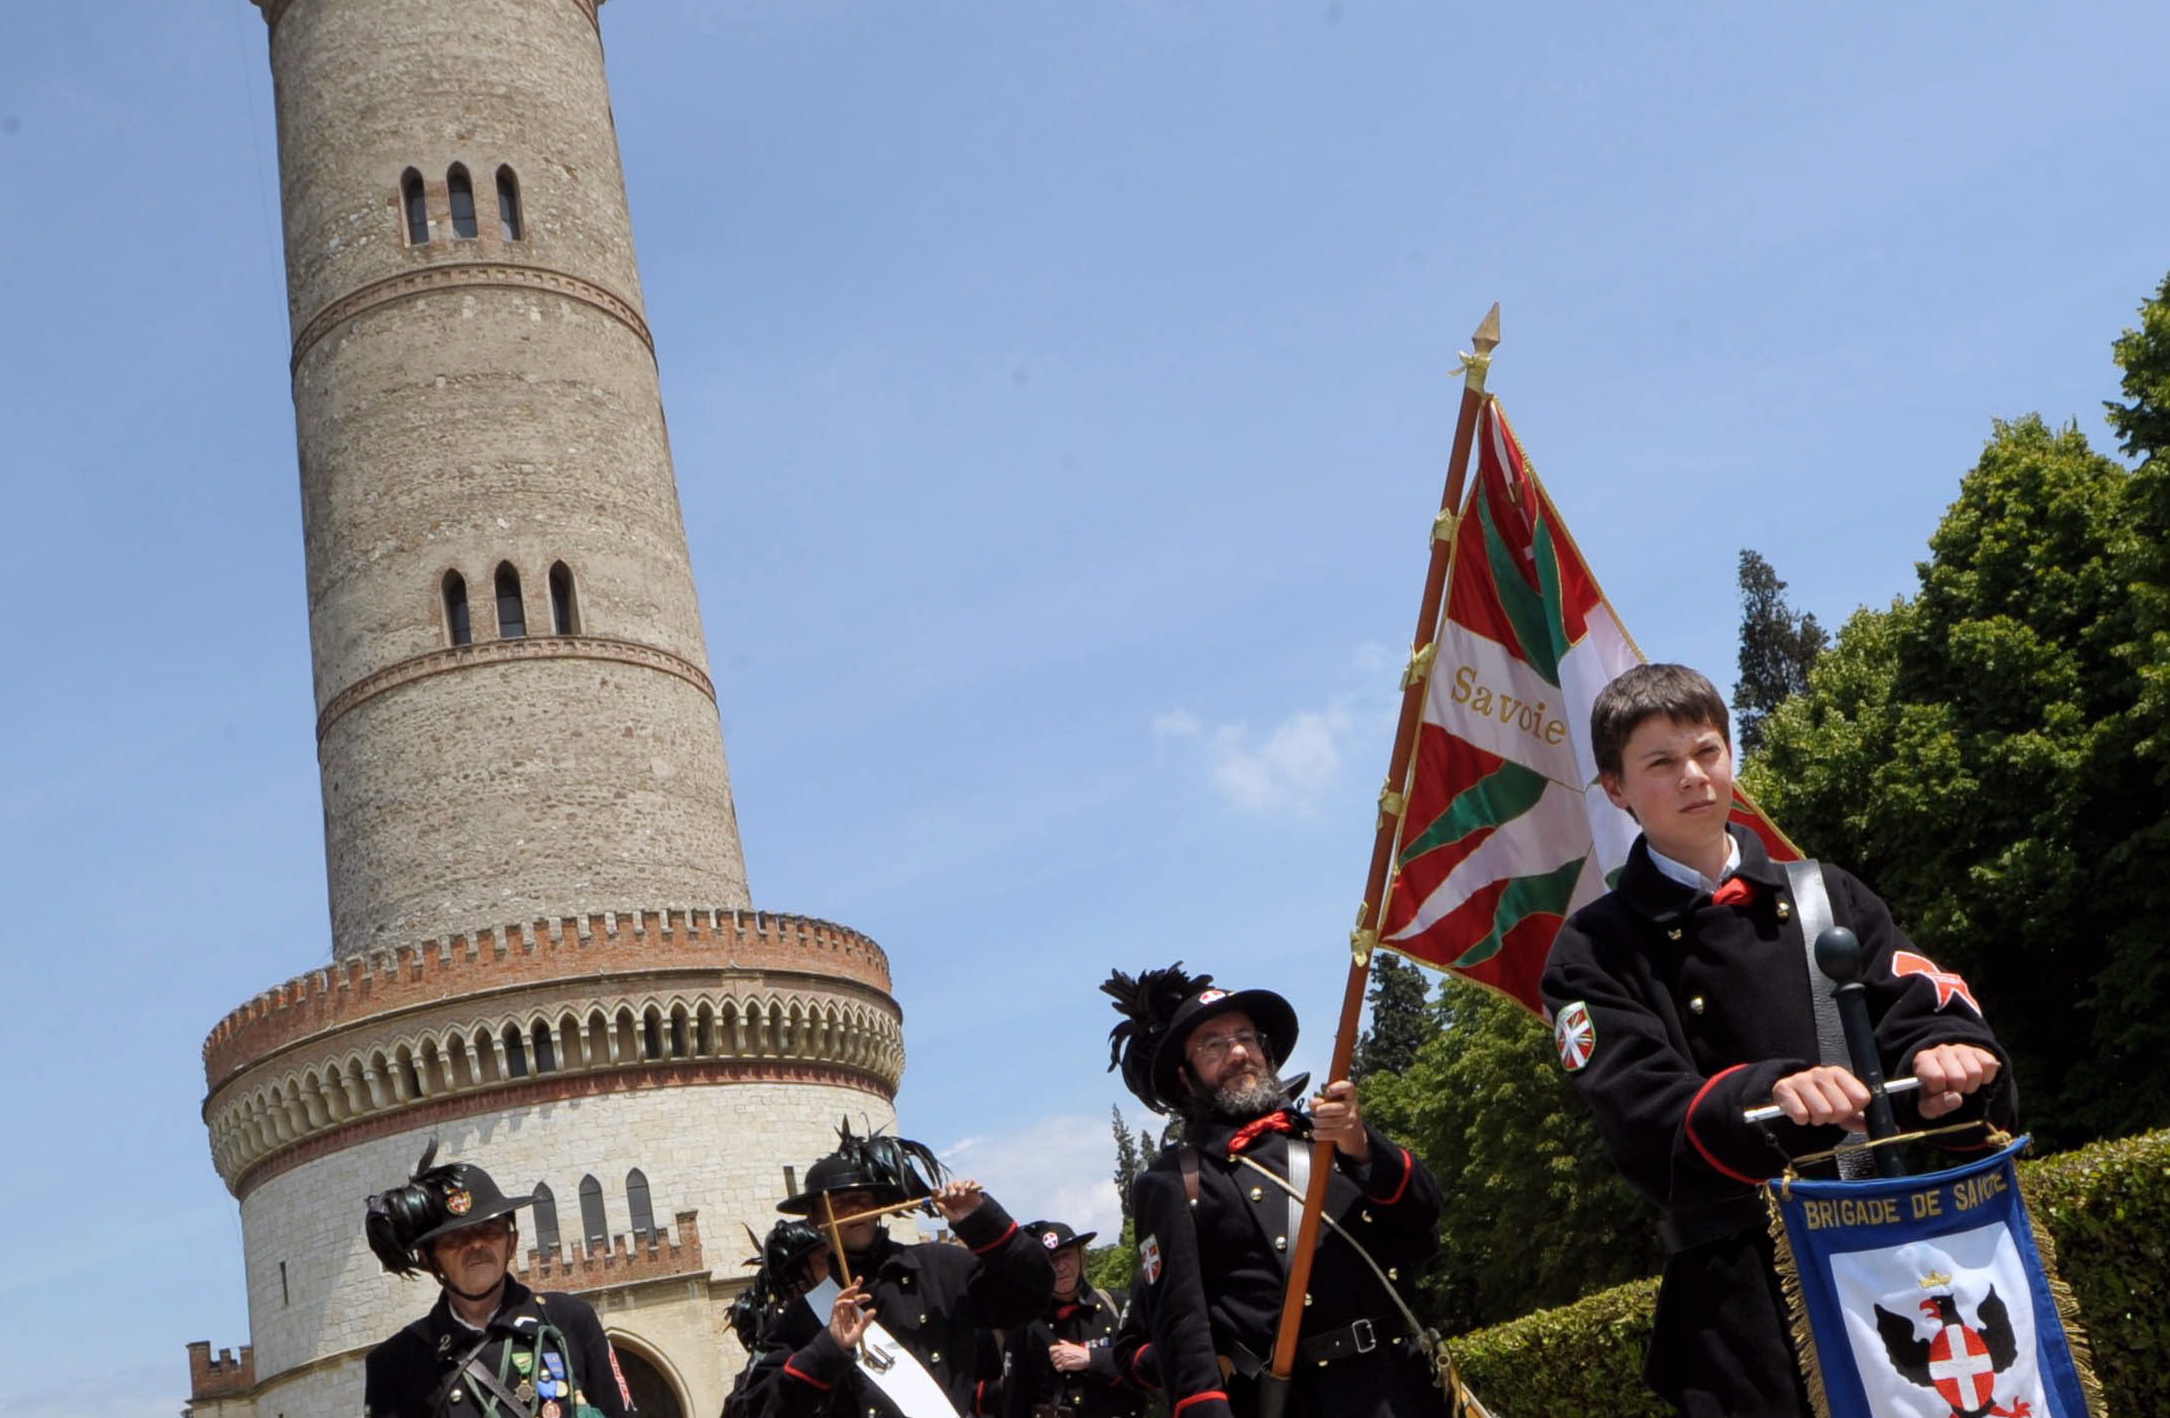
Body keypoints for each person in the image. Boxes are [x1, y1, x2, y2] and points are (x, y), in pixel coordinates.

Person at [1540, 663, 2014, 1418]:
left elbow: (1924, 1002)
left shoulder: (1830, 893)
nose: (1694, 776)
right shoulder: (1591, 950)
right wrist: (1767, 1096)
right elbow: (1638, 1110)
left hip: (1902, 1264)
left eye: (1708, 751)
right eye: (1661, 763)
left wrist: (1947, 1056)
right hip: (1743, 1303)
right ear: (1617, 792)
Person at [1102, 967, 1462, 1418]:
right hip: (1307, 1403)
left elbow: (1423, 1221)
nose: (1237, 1053)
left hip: (1408, 1388)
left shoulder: (1329, 1137)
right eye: (1213, 1045)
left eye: (1247, 1038)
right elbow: (1184, 1338)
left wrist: (1365, 1146)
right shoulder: (1177, 1180)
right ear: (1186, 1077)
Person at [734, 1122, 1054, 1418]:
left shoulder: (943, 1268)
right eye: (839, 1204)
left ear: (879, 1207)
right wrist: (827, 1350)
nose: (854, 1210)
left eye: (862, 1199)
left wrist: (982, 1222)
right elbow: (755, 1410)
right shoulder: (800, 1319)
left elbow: (1031, 1296)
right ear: (817, 1220)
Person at [362, 1141, 636, 1418]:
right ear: (429, 1259)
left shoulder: (569, 1321)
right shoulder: (396, 1363)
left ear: (512, 1242)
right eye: (455, 1239)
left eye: (490, 1231)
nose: (476, 1245)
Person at [1000, 1221, 1139, 1418]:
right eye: (1051, 1261)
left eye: (1067, 1256)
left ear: (1083, 1257)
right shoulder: (1026, 1324)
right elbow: (1014, 1401)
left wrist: (1092, 1359)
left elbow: (1148, 1367)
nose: (1061, 1267)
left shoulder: (1116, 1305)